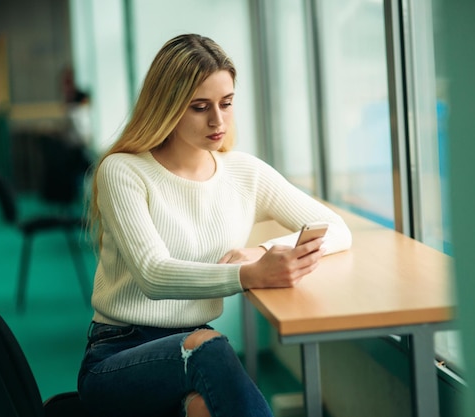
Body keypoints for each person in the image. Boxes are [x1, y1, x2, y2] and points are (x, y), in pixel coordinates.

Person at [77, 33, 353, 417]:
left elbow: (336, 228)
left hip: (194, 350)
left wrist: (261, 252)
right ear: (167, 107)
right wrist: (249, 274)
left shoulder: (244, 172)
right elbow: (153, 275)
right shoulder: (123, 170)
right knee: (211, 347)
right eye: (199, 106)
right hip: (118, 356)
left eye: (226, 103)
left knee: (208, 406)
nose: (217, 120)